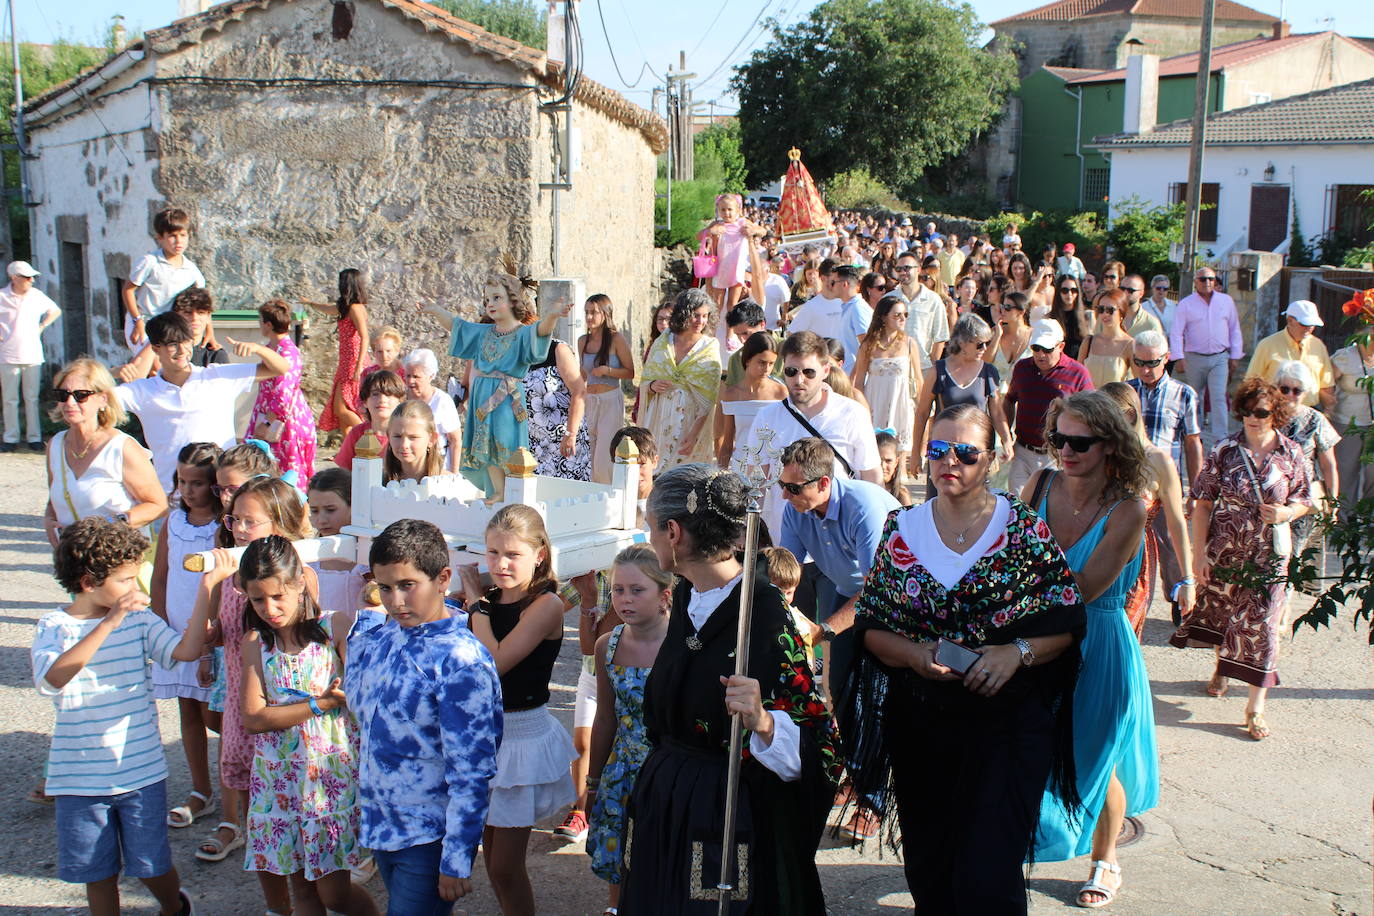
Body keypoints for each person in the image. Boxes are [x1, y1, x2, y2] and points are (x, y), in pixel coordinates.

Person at [839, 404, 1086, 914]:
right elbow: (870, 630)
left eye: (966, 452)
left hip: (1006, 724)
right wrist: (913, 654)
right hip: (922, 725)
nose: (949, 460)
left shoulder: (1023, 531)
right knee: (931, 869)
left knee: (988, 873)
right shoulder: (900, 530)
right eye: (937, 449)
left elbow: (1065, 624)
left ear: (992, 460)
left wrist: (1013, 653)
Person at [618, 464, 839, 914]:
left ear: (674, 532)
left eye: (651, 526)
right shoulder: (684, 595)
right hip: (667, 805)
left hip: (728, 815)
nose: (650, 535)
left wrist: (763, 722)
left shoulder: (764, 613)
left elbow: (821, 742)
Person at [33, 517, 210, 916]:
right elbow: (54, 677)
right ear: (88, 583)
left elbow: (183, 651)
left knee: (152, 865)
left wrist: (206, 591)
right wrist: (109, 622)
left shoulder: (139, 621)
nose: (136, 589)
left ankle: (173, 906)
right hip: (78, 780)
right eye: (126, 580)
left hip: (140, 772)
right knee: (97, 873)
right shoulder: (54, 627)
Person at [1026, 393, 1156, 908]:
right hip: (1034, 635)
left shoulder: (1129, 509)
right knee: (1027, 747)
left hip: (1098, 643)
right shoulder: (1041, 483)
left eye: (1080, 442)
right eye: (1059, 438)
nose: (1066, 450)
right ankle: (1014, 847)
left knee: (1098, 762)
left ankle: (1106, 860)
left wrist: (1013, 574)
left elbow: (1083, 588)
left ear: (1109, 446)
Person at [349, 519, 502, 912]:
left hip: (428, 837)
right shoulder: (384, 635)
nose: (396, 601)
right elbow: (361, 713)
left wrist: (456, 857)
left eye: (407, 585)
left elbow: (472, 769)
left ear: (442, 578)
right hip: (382, 826)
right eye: (385, 587)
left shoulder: (461, 661)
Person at [237, 536, 379, 915]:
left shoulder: (335, 627)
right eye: (258, 599)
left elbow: (362, 690)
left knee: (336, 894)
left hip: (327, 782)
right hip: (277, 782)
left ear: (301, 582)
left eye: (278, 596)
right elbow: (253, 717)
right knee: (302, 892)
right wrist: (321, 703)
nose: (270, 608)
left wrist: (344, 697)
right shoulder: (256, 642)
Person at [194, 475, 314, 911]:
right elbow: (209, 636)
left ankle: (305, 895)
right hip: (239, 704)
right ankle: (276, 904)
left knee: (298, 816)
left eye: (251, 521)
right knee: (261, 817)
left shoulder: (301, 579)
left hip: (289, 715)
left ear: (279, 527)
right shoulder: (229, 577)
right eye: (234, 520)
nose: (239, 529)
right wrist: (209, 585)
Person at [1171, 378, 1311, 740]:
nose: (1253, 417)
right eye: (1247, 411)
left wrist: (1285, 513)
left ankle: (1255, 707)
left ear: (1274, 414)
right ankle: (1223, 665)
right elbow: (1203, 502)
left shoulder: (1292, 454)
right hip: (1225, 552)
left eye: (1261, 412)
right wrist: (1198, 553)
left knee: (1263, 626)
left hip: (1269, 557)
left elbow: (1305, 499)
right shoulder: (1225, 450)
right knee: (1224, 613)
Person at [776, 437, 900, 841]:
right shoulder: (796, 505)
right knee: (837, 689)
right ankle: (858, 773)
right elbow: (786, 572)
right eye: (783, 485)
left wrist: (824, 629)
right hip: (843, 584)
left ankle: (874, 800)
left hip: (894, 595)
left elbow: (879, 588)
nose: (786, 494)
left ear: (824, 483)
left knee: (873, 693)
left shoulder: (864, 506)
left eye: (794, 488)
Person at [456, 506, 577, 916]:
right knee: (491, 863)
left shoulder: (546, 604)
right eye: (492, 553)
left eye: (512, 554)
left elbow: (496, 661)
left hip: (521, 737)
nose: (500, 564)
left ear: (539, 553)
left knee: (506, 867)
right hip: (483, 736)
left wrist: (476, 605)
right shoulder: (489, 600)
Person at [419, 260, 573, 496]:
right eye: (487, 299)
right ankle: (496, 492)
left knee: (506, 443)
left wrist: (552, 316)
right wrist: (436, 311)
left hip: (506, 399)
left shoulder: (522, 332)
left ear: (512, 300)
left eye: (496, 298)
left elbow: (541, 331)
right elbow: (458, 326)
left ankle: (512, 491)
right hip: (482, 396)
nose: (490, 304)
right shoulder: (484, 333)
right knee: (486, 447)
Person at [583, 544, 673, 915]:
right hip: (623, 772)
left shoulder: (683, 645)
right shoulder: (608, 645)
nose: (625, 599)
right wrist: (592, 782)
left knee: (664, 857)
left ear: (664, 595)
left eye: (638, 590)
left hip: (668, 771)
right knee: (620, 858)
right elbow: (605, 717)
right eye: (619, 590)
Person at [115, 311, 289, 490]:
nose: (182, 351)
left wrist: (258, 349)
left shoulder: (217, 376)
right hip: (172, 496)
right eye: (173, 345)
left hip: (222, 492)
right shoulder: (142, 390)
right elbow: (93, 396)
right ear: (156, 348)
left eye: (186, 342)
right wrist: (115, 373)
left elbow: (281, 368)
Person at [151, 443, 223, 831]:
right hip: (176, 633)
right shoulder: (172, 522)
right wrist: (160, 625)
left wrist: (211, 636)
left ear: (214, 485)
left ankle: (235, 789)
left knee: (218, 715)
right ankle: (201, 791)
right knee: (188, 713)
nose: (189, 489)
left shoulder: (222, 528)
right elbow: (160, 576)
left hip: (210, 635)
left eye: (197, 482)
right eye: (183, 481)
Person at [1100, 382, 1197, 636]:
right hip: (1095, 551)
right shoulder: (1097, 455)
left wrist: (1186, 580)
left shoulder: (1159, 461)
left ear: (1129, 415)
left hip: (1135, 561)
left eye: (1105, 415)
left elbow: (1177, 524)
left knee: (1124, 633)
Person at [43, 358, 166, 548]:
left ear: (103, 398)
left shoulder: (121, 447)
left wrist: (106, 527)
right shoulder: (55, 445)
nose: (70, 402)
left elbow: (157, 505)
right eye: (62, 394)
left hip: (118, 561)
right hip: (74, 562)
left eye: (81, 395)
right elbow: (54, 500)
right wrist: (49, 521)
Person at [1128, 331, 1204, 623]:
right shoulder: (1126, 392)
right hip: (1132, 483)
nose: (1146, 369)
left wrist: (1197, 490)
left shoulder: (1184, 394)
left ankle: (1178, 595)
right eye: (1140, 362)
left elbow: (1192, 442)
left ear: (1166, 359)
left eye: (1153, 362)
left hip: (1166, 482)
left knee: (1171, 540)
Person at [912, 314, 1012, 477]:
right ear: (962, 342)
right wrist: (916, 452)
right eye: (980, 344)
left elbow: (997, 412)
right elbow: (922, 413)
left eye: (987, 343)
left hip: (974, 452)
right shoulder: (938, 370)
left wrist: (1006, 440)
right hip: (945, 451)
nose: (985, 349)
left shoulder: (988, 372)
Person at [1005, 319, 1095, 494]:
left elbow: (1090, 415)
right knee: (1018, 509)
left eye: (1047, 349)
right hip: (1023, 451)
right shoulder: (1022, 368)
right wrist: (1006, 435)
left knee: (1050, 509)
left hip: (1057, 454)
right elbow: (1009, 400)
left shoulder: (1078, 373)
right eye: (1035, 348)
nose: (1040, 354)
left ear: (1061, 347)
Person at [638, 288, 722, 469]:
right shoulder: (663, 340)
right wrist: (652, 386)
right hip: (659, 415)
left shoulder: (710, 346)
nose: (701, 321)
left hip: (690, 419)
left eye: (705, 316)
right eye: (696, 315)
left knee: (684, 474)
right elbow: (646, 378)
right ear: (683, 313)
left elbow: (709, 398)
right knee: (654, 467)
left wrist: (693, 436)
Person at [1274, 361, 1340, 560]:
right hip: (1272, 498)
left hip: (1304, 499)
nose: (1290, 395)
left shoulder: (1315, 420)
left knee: (1296, 557)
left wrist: (1333, 501)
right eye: (1285, 389)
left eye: (1297, 390)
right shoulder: (1265, 416)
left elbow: (1329, 465)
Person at [1170, 267, 1244, 443]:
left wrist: (1235, 355)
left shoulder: (1226, 302)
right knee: (1195, 396)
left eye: (1211, 279)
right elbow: (1176, 332)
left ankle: (1221, 437)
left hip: (1219, 357)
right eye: (1203, 279)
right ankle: (1196, 433)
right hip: (1194, 357)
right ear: (1196, 282)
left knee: (1219, 396)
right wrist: (1178, 357)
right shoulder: (1186, 304)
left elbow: (1234, 329)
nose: (1207, 282)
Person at [248, 299, 317, 486]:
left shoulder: (287, 352)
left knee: (286, 474)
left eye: (261, 321)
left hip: (283, 423)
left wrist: (267, 423)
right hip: (273, 417)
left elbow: (283, 394)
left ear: (268, 324)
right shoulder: (273, 349)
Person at [852, 295, 922, 473]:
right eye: (897, 315)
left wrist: (923, 406)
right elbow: (858, 381)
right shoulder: (868, 345)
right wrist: (862, 408)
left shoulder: (909, 343)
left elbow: (919, 378)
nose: (903, 319)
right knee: (875, 450)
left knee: (899, 452)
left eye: (905, 315)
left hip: (900, 401)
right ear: (883, 317)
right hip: (875, 400)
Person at [122, 207, 204, 349]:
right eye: (172, 236)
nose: (178, 241)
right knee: (149, 364)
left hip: (168, 328)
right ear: (160, 238)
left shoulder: (191, 270)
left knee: (165, 367)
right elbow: (128, 291)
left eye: (183, 235)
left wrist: (209, 332)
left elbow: (202, 303)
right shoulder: (149, 262)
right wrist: (137, 321)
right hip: (144, 322)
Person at [0, 260, 60, 450]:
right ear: (14, 278)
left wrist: (42, 326)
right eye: (27, 277)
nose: (31, 281)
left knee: (31, 398)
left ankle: (34, 437)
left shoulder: (36, 296)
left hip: (32, 353)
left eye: (32, 277)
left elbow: (55, 310)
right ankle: (11, 438)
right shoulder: (2, 296)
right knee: (10, 399)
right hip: (8, 354)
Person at [116, 286, 229, 382]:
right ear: (176, 315)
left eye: (201, 313)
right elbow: (133, 380)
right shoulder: (162, 347)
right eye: (188, 313)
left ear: (208, 317)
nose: (195, 318)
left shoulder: (214, 354)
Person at [578, 294, 635, 484]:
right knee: (588, 454)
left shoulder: (616, 339)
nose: (588, 317)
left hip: (610, 400)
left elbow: (630, 372)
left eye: (593, 312)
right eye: (586, 312)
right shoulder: (582, 341)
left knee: (604, 457)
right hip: (589, 401)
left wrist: (607, 370)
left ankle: (606, 495)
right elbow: (582, 374)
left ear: (605, 314)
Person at [307, 268, 370, 433]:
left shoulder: (355, 308)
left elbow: (365, 336)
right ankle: (347, 450)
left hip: (353, 361)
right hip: (346, 361)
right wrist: (310, 303)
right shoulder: (348, 307)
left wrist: (358, 367)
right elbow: (328, 308)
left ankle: (370, 434)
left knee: (341, 408)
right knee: (342, 411)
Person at [1246, 300, 1336, 411]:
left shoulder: (1318, 346)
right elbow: (1252, 382)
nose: (1309, 328)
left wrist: (1327, 411)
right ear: (1290, 321)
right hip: (1276, 410)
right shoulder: (1267, 345)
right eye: (1304, 324)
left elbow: (1326, 384)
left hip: (1309, 412)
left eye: (1312, 325)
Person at [716, 330, 786, 471]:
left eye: (771, 363)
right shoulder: (731, 394)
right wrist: (720, 474)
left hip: (773, 469)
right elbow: (727, 442)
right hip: (740, 467)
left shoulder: (781, 393)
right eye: (761, 362)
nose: (767, 369)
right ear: (747, 360)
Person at [524, 335, 590, 480]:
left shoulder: (557, 349)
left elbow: (579, 391)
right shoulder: (515, 353)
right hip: (532, 444)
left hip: (564, 441)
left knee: (569, 494)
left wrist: (570, 434)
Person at [307, 468, 370, 614]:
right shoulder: (309, 558)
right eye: (315, 511)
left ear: (353, 506)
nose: (321, 520)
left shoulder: (367, 559)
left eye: (330, 510)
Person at [1329, 334, 1374, 522]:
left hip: (1371, 425)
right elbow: (1326, 386)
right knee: (1346, 470)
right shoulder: (1344, 357)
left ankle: (1367, 514)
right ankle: (1344, 516)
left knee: (1372, 471)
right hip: (1346, 422)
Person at [700, 193, 767, 317]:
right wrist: (709, 232)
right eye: (723, 210)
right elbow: (699, 236)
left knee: (732, 303)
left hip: (737, 268)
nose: (727, 213)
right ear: (718, 211)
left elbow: (763, 231)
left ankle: (730, 333)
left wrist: (753, 231)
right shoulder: (717, 224)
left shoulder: (742, 222)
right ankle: (713, 330)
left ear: (738, 210)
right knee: (717, 303)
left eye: (730, 209)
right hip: (720, 268)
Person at [402, 348, 464, 473]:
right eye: (407, 375)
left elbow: (455, 440)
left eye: (416, 376)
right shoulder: (402, 398)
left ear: (430, 376)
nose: (410, 381)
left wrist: (454, 473)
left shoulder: (442, 401)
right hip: (407, 463)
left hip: (437, 465)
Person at [336, 369, 405, 469]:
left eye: (388, 394)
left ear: (400, 401)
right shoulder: (357, 434)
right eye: (375, 394)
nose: (382, 400)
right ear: (365, 401)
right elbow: (343, 472)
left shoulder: (406, 434)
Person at [893, 251, 950, 369]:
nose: (903, 272)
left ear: (918, 269)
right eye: (899, 269)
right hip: (895, 367)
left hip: (923, 367)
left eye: (907, 268)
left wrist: (933, 365)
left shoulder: (933, 300)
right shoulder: (889, 299)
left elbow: (940, 336)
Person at [1078, 288, 1136, 387]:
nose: (1105, 314)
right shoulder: (1088, 342)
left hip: (1115, 401)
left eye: (1110, 310)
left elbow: (1137, 381)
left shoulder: (1130, 345)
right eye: (1101, 309)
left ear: (1121, 313)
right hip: (1088, 400)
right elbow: (1077, 377)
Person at [384, 399, 447, 484]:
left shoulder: (448, 483)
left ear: (432, 439)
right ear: (388, 436)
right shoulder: (378, 481)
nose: (404, 445)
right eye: (397, 436)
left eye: (413, 437)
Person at [787, 258, 844, 336]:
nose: (812, 277)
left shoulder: (847, 301)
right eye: (809, 273)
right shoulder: (811, 305)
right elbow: (791, 333)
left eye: (815, 273)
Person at [990, 292, 1033, 393]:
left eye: (1008, 307)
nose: (1003, 311)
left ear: (1021, 312)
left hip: (1023, 396)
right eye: (1003, 306)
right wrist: (997, 337)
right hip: (994, 397)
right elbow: (985, 362)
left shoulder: (1034, 335)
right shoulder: (995, 331)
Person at [1048, 273, 1092, 358]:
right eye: (1065, 290)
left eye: (1073, 290)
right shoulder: (1050, 318)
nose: (1069, 294)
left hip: (1080, 365)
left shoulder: (1088, 316)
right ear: (1058, 292)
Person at [1118, 275, 1164, 340]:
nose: (1125, 293)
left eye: (1130, 290)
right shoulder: (1108, 316)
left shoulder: (1151, 324)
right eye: (1122, 289)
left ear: (1141, 294)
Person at [875, 430, 913, 507]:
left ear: (896, 462)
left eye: (888, 461)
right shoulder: (862, 490)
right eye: (878, 460)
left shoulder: (901, 495)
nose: (883, 466)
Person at [761, 253, 792, 329]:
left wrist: (784, 317)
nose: (779, 269)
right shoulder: (753, 279)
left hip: (773, 326)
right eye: (777, 267)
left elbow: (787, 298)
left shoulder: (779, 279)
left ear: (767, 270)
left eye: (781, 267)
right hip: (757, 326)